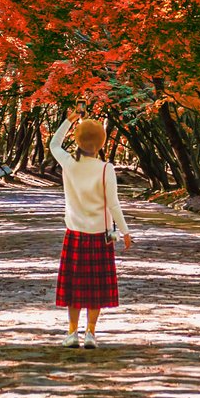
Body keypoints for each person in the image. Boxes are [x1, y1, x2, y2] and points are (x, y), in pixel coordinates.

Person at [49, 114, 131, 348]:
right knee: (95, 289)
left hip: (74, 235)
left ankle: (72, 332)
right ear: (102, 143)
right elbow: (113, 204)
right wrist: (125, 232)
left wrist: (68, 119)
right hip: (100, 237)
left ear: (77, 141)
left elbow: (54, 144)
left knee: (74, 287)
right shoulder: (106, 169)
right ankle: (91, 334)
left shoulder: (69, 163)